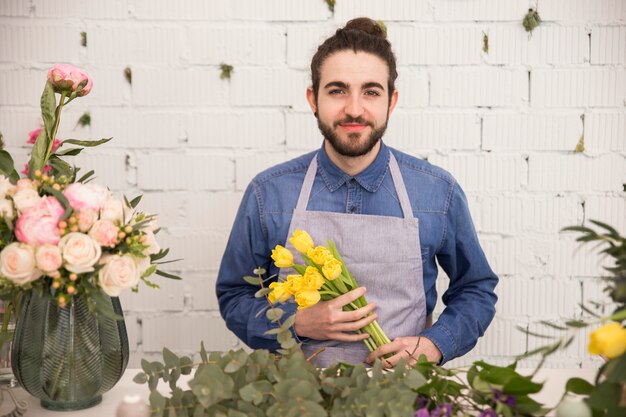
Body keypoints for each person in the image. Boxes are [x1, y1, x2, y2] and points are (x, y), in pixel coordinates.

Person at [216, 17, 498, 368]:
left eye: (370, 91)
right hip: (295, 398)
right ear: (312, 99)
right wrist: (297, 320)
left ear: (391, 101)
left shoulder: (437, 193)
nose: (353, 108)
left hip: (402, 395)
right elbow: (234, 296)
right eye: (337, 90)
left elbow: (476, 288)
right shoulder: (268, 194)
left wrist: (435, 345)